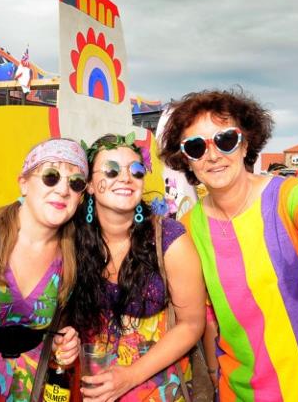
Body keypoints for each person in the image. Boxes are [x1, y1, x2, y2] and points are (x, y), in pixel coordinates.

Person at [160, 88, 298, 401]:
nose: (213, 155)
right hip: (245, 393)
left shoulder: (292, 196)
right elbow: (210, 321)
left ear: (245, 144)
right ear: (186, 160)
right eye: (195, 146)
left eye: (225, 140)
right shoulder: (188, 230)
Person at [67, 134, 207, 401]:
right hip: (91, 389)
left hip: (157, 390)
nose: (126, 178)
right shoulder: (71, 238)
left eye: (137, 170)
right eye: (111, 170)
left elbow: (192, 324)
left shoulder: (169, 239)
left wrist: (129, 376)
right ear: (89, 185)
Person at [0, 138, 84, 401]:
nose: (63, 190)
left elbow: (60, 324)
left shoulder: (73, 255)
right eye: (51, 177)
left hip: (34, 389)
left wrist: (65, 340)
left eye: (75, 182)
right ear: (23, 183)